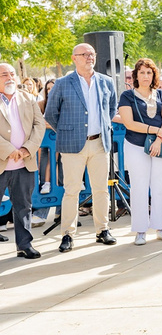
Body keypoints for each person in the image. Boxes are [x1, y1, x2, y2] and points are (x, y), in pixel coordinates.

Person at [44, 43, 119, 252]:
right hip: (72, 145)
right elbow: (50, 113)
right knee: (72, 191)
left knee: (101, 190)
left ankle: (102, 230)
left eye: (92, 54)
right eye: (84, 54)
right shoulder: (62, 83)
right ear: (74, 58)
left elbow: (111, 108)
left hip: (99, 144)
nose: (90, 57)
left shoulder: (106, 82)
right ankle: (67, 234)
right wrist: (68, 131)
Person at [117, 58, 162, 245]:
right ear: (136, 75)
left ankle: (161, 227)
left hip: (160, 145)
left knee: (160, 186)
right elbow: (129, 123)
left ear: (154, 75)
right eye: (142, 72)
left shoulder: (161, 94)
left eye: (149, 72)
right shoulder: (127, 96)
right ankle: (140, 230)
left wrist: (158, 139)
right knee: (139, 187)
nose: (145, 76)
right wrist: (156, 131)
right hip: (135, 145)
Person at [0, 63, 45, 258]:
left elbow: (39, 124)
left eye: (12, 74)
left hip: (24, 163)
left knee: (23, 206)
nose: (9, 77)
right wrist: (8, 150)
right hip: (3, 162)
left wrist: (28, 148)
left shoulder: (28, 98)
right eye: (4, 74)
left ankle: (24, 245)